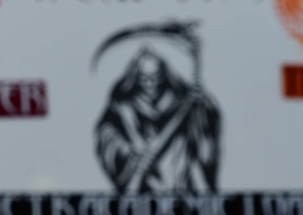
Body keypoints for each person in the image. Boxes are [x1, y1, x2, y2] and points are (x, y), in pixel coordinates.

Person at [94, 46, 220, 195]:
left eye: (154, 77)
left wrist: (202, 105)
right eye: (144, 78)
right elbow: (107, 134)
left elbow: (204, 131)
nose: (150, 84)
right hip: (143, 181)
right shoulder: (122, 107)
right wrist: (129, 153)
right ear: (135, 77)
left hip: (179, 176)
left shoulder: (181, 100)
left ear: (163, 75)